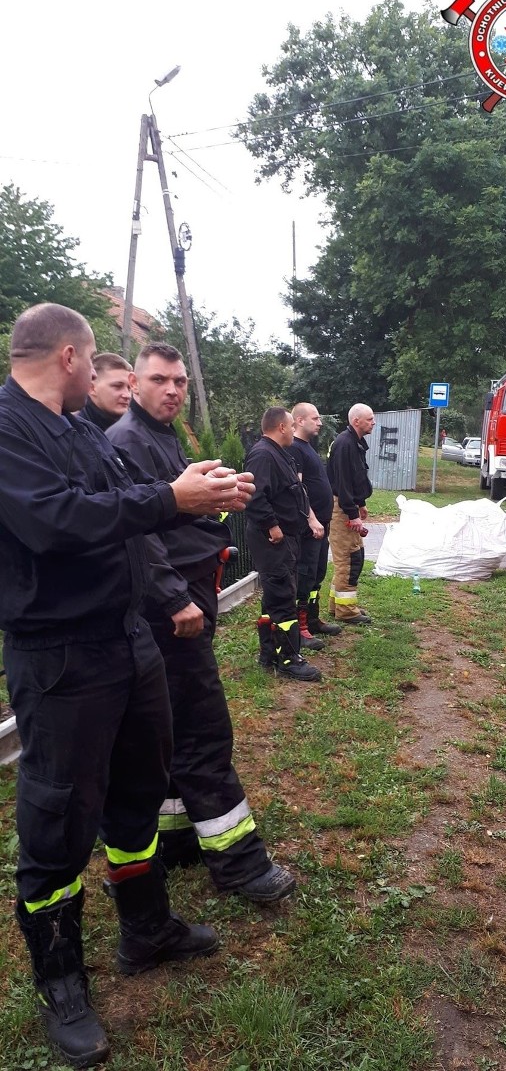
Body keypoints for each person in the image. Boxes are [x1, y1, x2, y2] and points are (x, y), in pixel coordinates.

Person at [0, 304, 248, 1068]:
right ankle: (61, 979)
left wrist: (192, 485)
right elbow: (58, 522)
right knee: (60, 817)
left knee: (141, 789)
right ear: (70, 355)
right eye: (97, 361)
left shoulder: (77, 427)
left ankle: (147, 927)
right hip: (60, 653)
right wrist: (171, 499)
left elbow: (130, 500)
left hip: (127, 638)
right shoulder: (9, 428)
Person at [108, 343, 295, 902]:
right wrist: (172, 599)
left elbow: (172, 511)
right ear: (134, 384)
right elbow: (135, 534)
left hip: (187, 597)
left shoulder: (160, 437)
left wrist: (217, 502)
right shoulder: (126, 443)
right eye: (160, 380)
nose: (172, 390)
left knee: (169, 728)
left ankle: (176, 838)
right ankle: (240, 863)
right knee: (204, 728)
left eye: (181, 382)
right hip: (171, 608)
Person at [245, 407, 321, 682]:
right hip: (273, 540)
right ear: (280, 427)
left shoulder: (278, 454)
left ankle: (269, 653)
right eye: (290, 426)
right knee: (283, 599)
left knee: (274, 597)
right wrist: (272, 526)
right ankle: (290, 658)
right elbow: (255, 496)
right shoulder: (263, 455)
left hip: (286, 538)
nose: (292, 430)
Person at [291, 402, 341, 647]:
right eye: (315, 418)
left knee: (318, 573)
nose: (320, 422)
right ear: (299, 420)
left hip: (323, 523)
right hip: (309, 527)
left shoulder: (308, 447)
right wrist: (311, 519)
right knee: (305, 574)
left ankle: (312, 619)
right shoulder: (294, 449)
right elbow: (298, 489)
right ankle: (299, 628)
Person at [326, 403, 375, 624]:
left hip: (350, 506)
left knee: (351, 556)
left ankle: (337, 605)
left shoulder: (354, 443)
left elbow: (357, 478)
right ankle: (346, 611)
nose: (373, 422)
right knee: (348, 558)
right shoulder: (345, 445)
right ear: (356, 421)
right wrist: (351, 513)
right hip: (342, 510)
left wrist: (360, 504)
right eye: (369, 419)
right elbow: (343, 482)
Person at [77, 351, 132, 431]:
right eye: (117, 386)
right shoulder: (76, 431)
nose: (127, 395)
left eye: (129, 388)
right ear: (92, 388)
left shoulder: (135, 430)